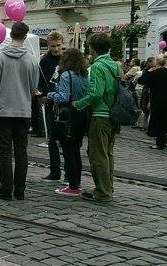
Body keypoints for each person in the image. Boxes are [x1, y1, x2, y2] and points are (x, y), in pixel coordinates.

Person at [0, 22, 40, 201]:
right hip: (23, 110)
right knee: (21, 151)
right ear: (25, 37)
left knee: (4, 151)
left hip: (2, 111)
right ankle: (20, 189)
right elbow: (33, 87)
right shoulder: (32, 59)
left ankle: (6, 188)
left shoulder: (0, 58)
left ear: (10, 35)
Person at [71, 33, 120, 203]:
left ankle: (102, 192)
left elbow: (96, 93)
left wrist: (79, 104)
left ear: (92, 48)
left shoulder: (98, 66)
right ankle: (108, 187)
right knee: (108, 154)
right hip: (113, 114)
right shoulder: (115, 65)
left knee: (98, 155)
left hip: (100, 115)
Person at [47, 48, 88, 196]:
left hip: (67, 116)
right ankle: (77, 182)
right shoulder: (84, 74)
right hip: (81, 115)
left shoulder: (66, 75)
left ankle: (72, 185)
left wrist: (51, 95)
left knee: (68, 151)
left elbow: (63, 97)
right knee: (76, 150)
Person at [37, 32, 64, 180]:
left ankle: (70, 173)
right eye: (53, 46)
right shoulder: (44, 61)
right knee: (52, 138)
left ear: (62, 43)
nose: (56, 49)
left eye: (58, 45)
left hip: (65, 103)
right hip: (50, 102)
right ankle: (55, 171)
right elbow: (39, 80)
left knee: (66, 138)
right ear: (48, 45)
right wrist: (41, 94)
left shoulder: (67, 58)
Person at [139, 54, 167, 149]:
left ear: (157, 62)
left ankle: (159, 143)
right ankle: (163, 141)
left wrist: (149, 71)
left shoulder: (154, 73)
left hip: (156, 99)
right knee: (164, 120)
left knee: (157, 120)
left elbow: (141, 80)